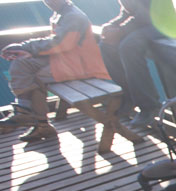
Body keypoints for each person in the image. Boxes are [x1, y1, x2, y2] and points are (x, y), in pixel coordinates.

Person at [0, 0, 109, 142]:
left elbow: (61, 43)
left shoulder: (73, 16)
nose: (49, 2)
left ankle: (39, 122)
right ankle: (24, 109)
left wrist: (27, 48)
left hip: (81, 66)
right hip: (66, 61)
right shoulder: (62, 13)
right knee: (21, 63)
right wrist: (25, 49)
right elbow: (56, 42)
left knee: (34, 78)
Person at [98, 0, 176, 128]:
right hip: (144, 25)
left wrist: (121, 30)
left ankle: (149, 105)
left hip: (163, 25)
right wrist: (110, 26)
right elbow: (127, 12)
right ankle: (130, 94)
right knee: (106, 45)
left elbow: (146, 14)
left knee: (129, 46)